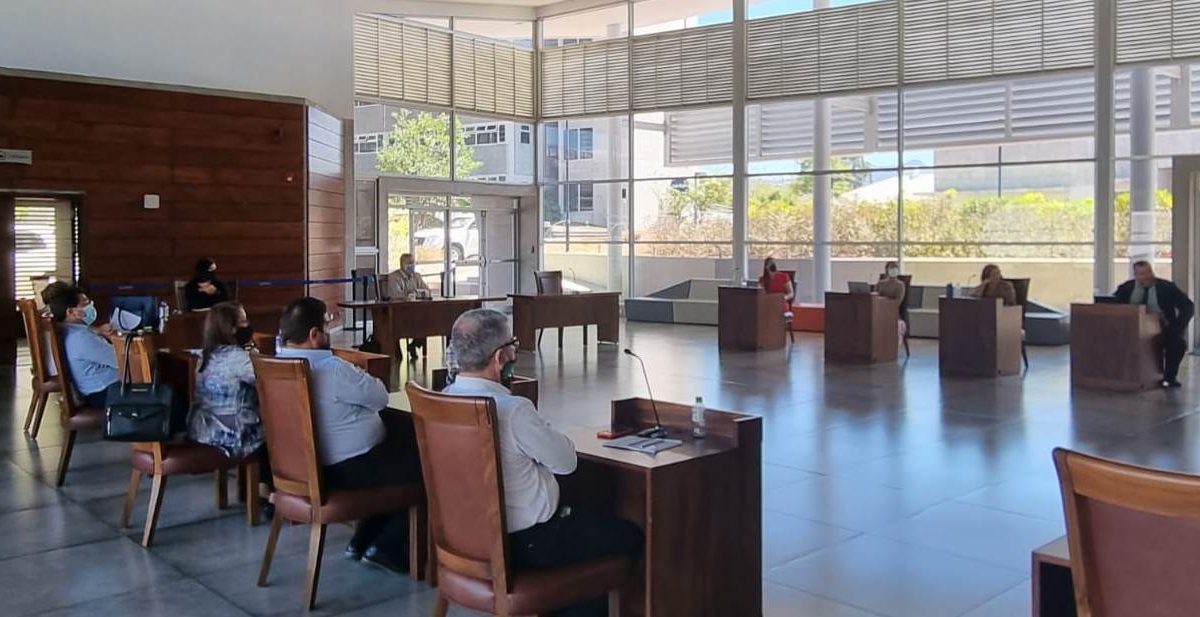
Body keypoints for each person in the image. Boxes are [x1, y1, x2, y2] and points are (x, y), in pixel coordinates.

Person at [443, 309, 643, 617]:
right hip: (527, 544)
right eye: (512, 346)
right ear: (499, 358)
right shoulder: (512, 410)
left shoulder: (445, 398)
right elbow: (566, 462)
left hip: (465, 539)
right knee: (628, 535)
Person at [276, 297, 421, 573]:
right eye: (327, 326)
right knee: (426, 465)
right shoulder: (332, 370)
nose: (330, 331)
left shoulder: (277, 366)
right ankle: (388, 548)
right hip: (346, 469)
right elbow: (379, 396)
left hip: (306, 468)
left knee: (400, 443)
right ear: (314, 335)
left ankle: (363, 540)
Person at [187, 302, 264, 459]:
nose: (248, 325)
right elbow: (268, 384)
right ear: (231, 329)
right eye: (243, 321)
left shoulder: (203, 355)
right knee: (280, 430)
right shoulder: (239, 358)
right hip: (233, 436)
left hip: (202, 431)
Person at [1114, 260, 1195, 388]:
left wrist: (1177, 328)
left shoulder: (1167, 287)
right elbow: (1113, 305)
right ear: (1135, 275)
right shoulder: (1126, 288)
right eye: (1142, 274)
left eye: (1149, 272)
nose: (1146, 276)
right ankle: (1121, 377)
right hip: (1132, 330)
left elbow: (1188, 307)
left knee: (1177, 344)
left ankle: (1169, 377)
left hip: (1162, 329)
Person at [47, 285, 118, 408]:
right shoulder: (81, 337)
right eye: (85, 304)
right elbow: (120, 361)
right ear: (70, 312)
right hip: (103, 392)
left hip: (95, 390)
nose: (90, 306)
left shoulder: (67, 330)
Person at [385, 253, 430, 360]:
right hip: (400, 312)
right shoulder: (394, 277)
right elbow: (395, 295)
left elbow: (427, 291)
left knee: (429, 320)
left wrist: (415, 293)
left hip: (417, 311)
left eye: (413, 263)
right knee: (415, 321)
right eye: (409, 263)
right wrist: (409, 295)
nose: (412, 265)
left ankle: (415, 344)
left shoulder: (417, 276)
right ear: (402, 264)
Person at [877, 261, 908, 344]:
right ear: (886, 270)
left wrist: (886, 305)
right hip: (878, 310)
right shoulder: (880, 283)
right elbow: (875, 296)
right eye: (891, 267)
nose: (893, 269)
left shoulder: (900, 285)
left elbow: (898, 301)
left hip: (892, 312)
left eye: (895, 267)